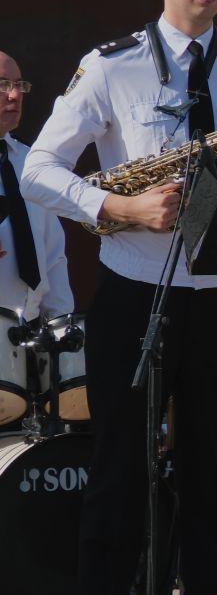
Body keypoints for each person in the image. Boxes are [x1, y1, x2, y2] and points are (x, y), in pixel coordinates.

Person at [22, 0, 217, 593]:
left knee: (212, 474)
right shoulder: (112, 66)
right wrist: (119, 208)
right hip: (137, 290)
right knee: (119, 471)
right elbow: (39, 169)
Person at [0, 51, 74, 426]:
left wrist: (63, 328)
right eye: (2, 85)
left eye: (18, 85)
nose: (14, 95)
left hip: (30, 349)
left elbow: (53, 256)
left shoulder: (33, 164)